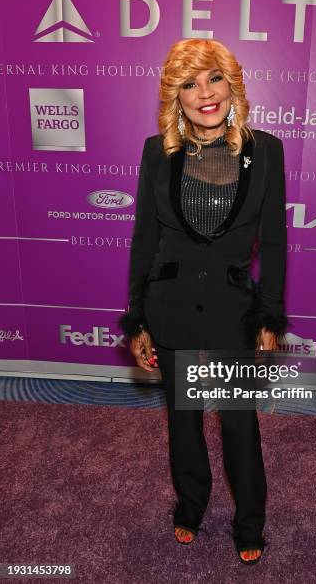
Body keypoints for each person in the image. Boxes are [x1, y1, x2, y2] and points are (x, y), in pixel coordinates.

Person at [118, 38, 287, 565]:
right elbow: (144, 239)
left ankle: (249, 522)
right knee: (184, 416)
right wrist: (137, 318)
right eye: (190, 84)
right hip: (169, 304)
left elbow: (275, 241)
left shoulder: (266, 150)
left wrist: (269, 314)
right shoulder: (157, 152)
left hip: (233, 309)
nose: (205, 93)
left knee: (238, 420)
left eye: (214, 78)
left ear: (231, 85)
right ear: (177, 96)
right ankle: (190, 506)